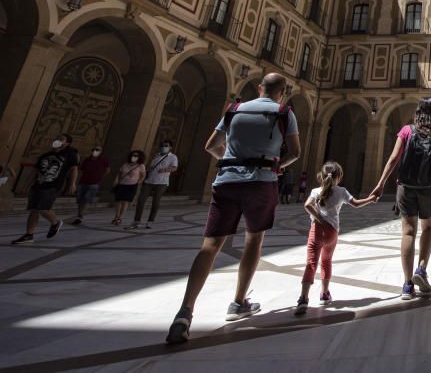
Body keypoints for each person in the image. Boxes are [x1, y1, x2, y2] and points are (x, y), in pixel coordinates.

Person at [166, 73, 301, 344]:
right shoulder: (284, 112)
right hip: (261, 181)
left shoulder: (235, 109)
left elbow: (210, 146)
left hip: (226, 180)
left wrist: (229, 160)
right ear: (283, 92)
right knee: (253, 241)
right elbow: (295, 152)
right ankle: (239, 302)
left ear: (260, 87)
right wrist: (274, 168)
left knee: (210, 245)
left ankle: (185, 311)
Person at [370, 97, 431, 300]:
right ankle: (421, 269)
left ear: (418, 113)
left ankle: (407, 285)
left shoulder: (407, 130)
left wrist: (381, 183)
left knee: (408, 232)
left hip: (405, 186)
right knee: (429, 228)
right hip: (429, 186)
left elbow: (393, 158)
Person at [295, 161, 377, 315]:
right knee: (326, 261)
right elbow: (357, 204)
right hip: (332, 232)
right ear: (338, 177)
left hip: (316, 230)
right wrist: (371, 199)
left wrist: (318, 217)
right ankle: (324, 294)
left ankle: (303, 298)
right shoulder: (341, 191)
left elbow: (307, 205)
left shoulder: (315, 191)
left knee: (310, 264)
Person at [11, 133, 79, 245]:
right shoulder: (45, 155)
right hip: (38, 184)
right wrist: (25, 185)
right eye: (57, 138)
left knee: (43, 208)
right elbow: (35, 171)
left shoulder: (69, 153)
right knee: (34, 210)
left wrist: (72, 183)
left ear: (67, 143)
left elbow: (74, 169)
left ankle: (55, 222)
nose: (57, 140)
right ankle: (29, 235)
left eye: (61, 139)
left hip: (53, 185)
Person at [127, 140, 178, 230]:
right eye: (162, 145)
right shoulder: (157, 155)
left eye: (166, 146)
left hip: (162, 182)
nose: (163, 147)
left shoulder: (173, 157)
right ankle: (137, 221)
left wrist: (165, 170)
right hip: (149, 181)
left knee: (155, 202)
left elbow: (174, 168)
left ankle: (150, 221)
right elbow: (151, 167)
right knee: (141, 200)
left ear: (170, 147)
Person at [72, 145, 110, 225]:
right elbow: (82, 170)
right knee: (80, 199)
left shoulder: (104, 160)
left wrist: (100, 177)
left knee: (86, 199)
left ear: (101, 151)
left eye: (97, 150)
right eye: (94, 149)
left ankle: (80, 216)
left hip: (94, 182)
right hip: (83, 181)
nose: (95, 151)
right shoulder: (87, 160)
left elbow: (107, 170)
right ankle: (79, 214)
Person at [111, 150, 146, 226]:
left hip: (131, 185)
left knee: (125, 202)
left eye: (136, 156)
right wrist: (116, 180)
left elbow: (143, 176)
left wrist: (138, 183)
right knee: (118, 201)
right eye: (133, 155)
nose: (134, 157)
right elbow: (119, 173)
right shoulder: (125, 164)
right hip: (122, 184)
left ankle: (120, 217)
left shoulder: (141, 165)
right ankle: (116, 216)